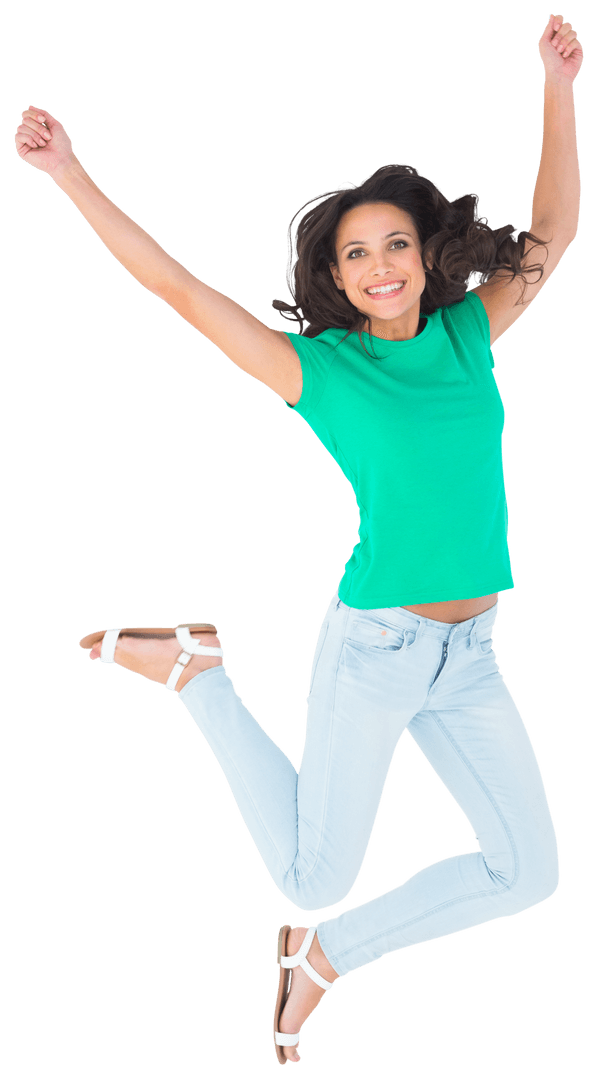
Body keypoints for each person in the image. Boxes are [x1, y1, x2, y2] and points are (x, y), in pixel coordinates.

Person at [15, 13, 583, 1065]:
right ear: (336, 272)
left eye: (394, 246)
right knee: (312, 873)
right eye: (355, 253)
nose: (379, 267)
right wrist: (71, 175)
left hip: (470, 656)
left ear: (424, 256)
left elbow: (553, 224)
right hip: (377, 647)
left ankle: (323, 957)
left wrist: (556, 82)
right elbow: (174, 288)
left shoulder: (469, 331)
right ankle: (200, 677)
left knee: (530, 874)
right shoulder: (320, 372)